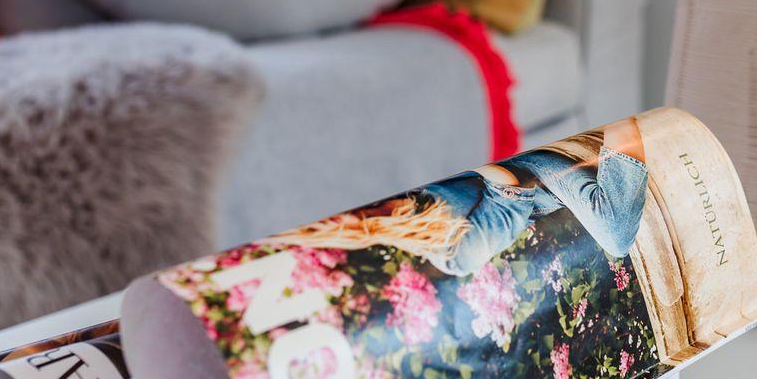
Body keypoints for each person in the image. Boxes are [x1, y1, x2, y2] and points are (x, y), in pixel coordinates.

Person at [267, 119, 649, 277]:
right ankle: (627, 126)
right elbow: (512, 186)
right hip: (535, 172)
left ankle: (626, 125)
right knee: (616, 237)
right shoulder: (449, 251)